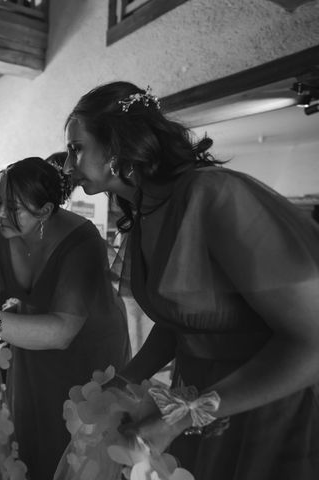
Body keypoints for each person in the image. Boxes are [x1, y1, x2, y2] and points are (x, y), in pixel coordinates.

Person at [62, 81, 319, 479]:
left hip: (267, 406)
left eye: (76, 148)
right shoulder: (144, 211)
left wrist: (184, 416)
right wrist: (126, 381)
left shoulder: (215, 197)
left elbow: (313, 342)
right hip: (196, 400)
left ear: (115, 147)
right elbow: (179, 320)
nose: (67, 165)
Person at [0, 157, 131, 480]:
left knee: (76, 446)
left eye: (12, 208)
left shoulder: (82, 241)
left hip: (86, 349)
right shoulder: (3, 234)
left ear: (44, 211)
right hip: (32, 343)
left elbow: (62, 331)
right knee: (32, 436)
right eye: (0, 201)